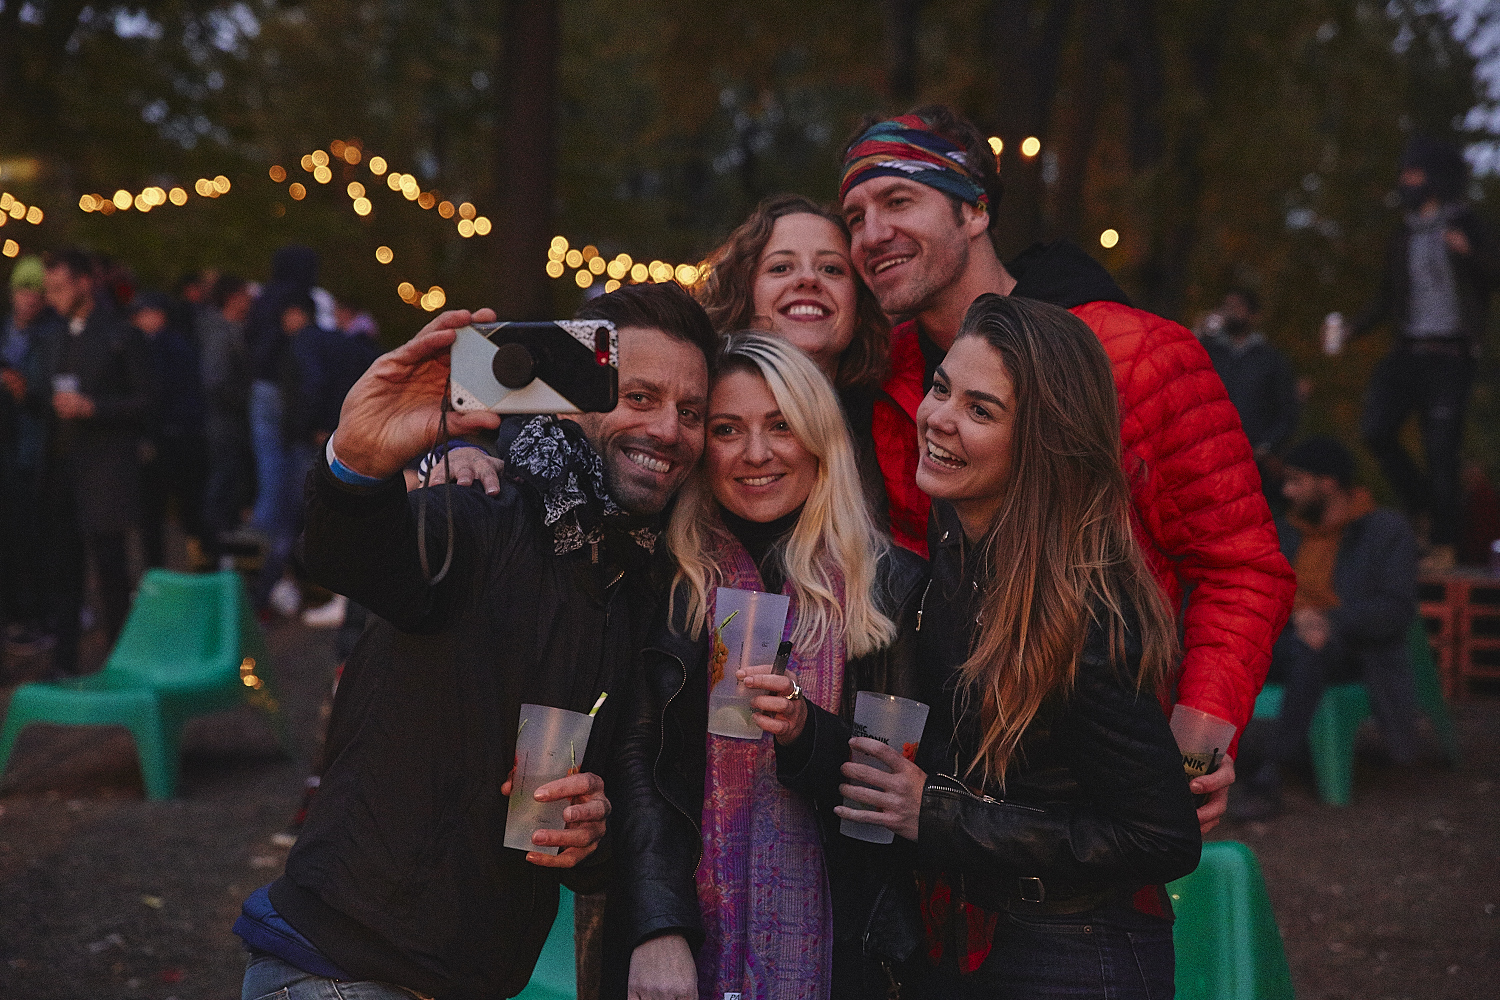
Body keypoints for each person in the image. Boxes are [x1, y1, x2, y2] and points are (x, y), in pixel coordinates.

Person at [232, 282, 715, 1000]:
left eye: (692, 412)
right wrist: (357, 463)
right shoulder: (482, 507)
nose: (669, 429)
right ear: (573, 398)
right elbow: (358, 557)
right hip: (344, 970)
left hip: (468, 979)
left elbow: (586, 811)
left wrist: (590, 834)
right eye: (639, 397)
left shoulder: (628, 573)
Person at [838, 105, 1295, 830]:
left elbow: (1240, 566)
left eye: (899, 200)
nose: (871, 234)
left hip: (1094, 797)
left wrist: (1195, 745)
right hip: (944, 798)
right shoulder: (887, 381)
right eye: (855, 217)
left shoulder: (1137, 356)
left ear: (974, 209)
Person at [810, 294, 1199, 995]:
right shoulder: (958, 541)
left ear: (1042, 442)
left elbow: (1162, 837)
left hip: (1078, 951)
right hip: (980, 932)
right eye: (941, 388)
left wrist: (934, 813)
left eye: (980, 411)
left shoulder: (1084, 609)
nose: (938, 418)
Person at [608, 333, 926, 1000]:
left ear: (819, 438)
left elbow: (896, 807)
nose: (756, 453)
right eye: (727, 429)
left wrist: (807, 734)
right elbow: (636, 766)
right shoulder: (663, 577)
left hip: (844, 952)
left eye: (781, 425)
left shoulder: (891, 588)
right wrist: (657, 928)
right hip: (681, 945)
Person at [1232, 437, 1423, 820]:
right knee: (1212, 645)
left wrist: (1330, 621)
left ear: (1329, 482)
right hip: (1286, 637)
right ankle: (1197, 766)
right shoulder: (1287, 531)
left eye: (1296, 481)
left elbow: (1394, 609)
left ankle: (1271, 774)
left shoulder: (1384, 531)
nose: (1287, 491)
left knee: (1312, 644)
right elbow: (1258, 590)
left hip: (1355, 647)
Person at [1337, 135, 1500, 573]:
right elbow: (1387, 298)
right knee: (1376, 429)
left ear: (1434, 177)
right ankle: (1424, 506)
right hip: (1408, 349)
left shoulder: (1467, 225)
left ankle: (1444, 540)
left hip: (1452, 353)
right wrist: (1352, 328)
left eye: (1413, 173)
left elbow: (1494, 273)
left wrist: (1470, 252)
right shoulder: (1403, 235)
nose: (1405, 181)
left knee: (1441, 448)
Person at [694, 194, 894, 529]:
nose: (808, 279)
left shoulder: (893, 431)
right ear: (743, 296)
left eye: (831, 269)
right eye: (781, 268)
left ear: (860, 308)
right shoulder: (692, 409)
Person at [40, 249, 153, 676]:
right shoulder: (56, 336)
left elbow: (147, 401)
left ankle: (121, 660)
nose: (52, 297)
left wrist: (94, 408)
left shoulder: (121, 334)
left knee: (111, 570)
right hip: (63, 470)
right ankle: (64, 662)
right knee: (64, 568)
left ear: (85, 283)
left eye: (59, 288)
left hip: (105, 471)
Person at [1, 256, 62, 648]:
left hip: (35, 446)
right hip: (8, 446)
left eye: (37, 292)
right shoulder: (7, 331)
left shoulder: (52, 335)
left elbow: (46, 393)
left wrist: (25, 391)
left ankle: (40, 613)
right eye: (24, 290)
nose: (30, 298)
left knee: (37, 534)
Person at [1200, 287, 1300, 509]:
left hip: (1255, 464)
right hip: (1209, 457)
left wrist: (1266, 446)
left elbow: (1287, 411)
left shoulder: (1271, 360)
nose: (1230, 311)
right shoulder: (1207, 352)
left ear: (1254, 315)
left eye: (1237, 306)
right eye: (1226, 306)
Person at [133, 291, 210, 569]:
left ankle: (160, 573)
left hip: (170, 439)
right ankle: (201, 566)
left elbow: (158, 395)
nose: (137, 320)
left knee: (157, 511)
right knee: (190, 510)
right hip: (184, 437)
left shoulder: (161, 348)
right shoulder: (179, 344)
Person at [199, 274, 255, 557]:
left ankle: (220, 547)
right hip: (224, 423)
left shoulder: (231, 330)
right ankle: (213, 548)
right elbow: (215, 381)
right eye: (245, 294)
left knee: (229, 482)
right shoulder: (222, 333)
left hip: (229, 422)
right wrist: (248, 400)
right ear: (233, 298)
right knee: (223, 482)